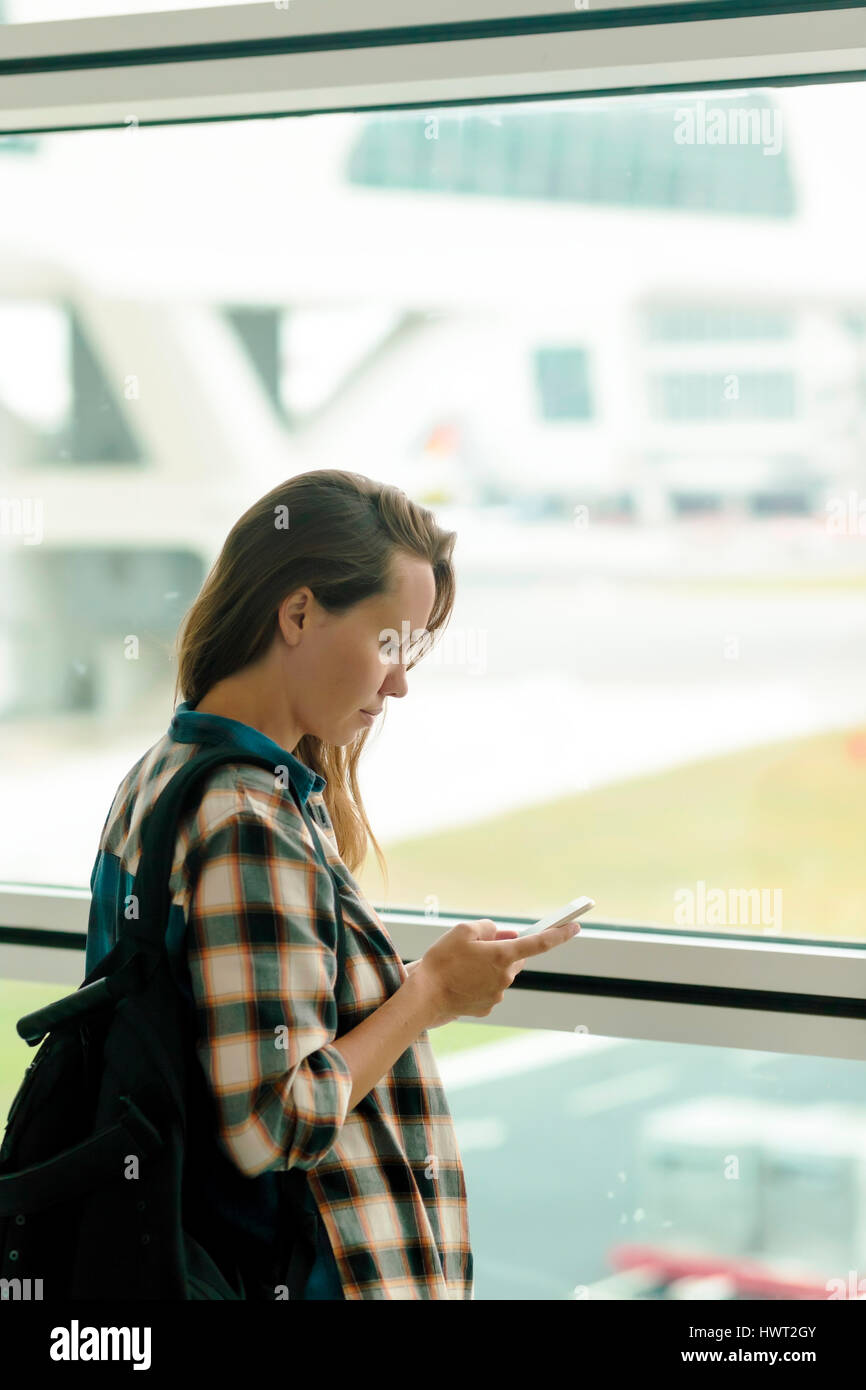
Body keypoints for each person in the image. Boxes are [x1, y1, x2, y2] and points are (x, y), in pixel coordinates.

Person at [86, 468, 580, 1301]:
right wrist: (428, 994)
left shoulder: (165, 774)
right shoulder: (246, 819)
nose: (398, 683)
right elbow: (272, 1125)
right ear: (300, 613)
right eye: (388, 642)